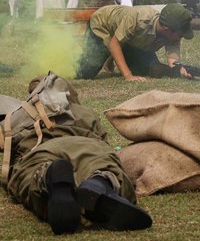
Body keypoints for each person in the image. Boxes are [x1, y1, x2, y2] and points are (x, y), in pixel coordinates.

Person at [2, 74, 152, 235]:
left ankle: (48, 178)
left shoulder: (21, 113)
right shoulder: (85, 112)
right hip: (88, 145)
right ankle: (99, 182)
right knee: (104, 165)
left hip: (42, 149)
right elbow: (103, 141)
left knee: (31, 176)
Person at [76, 3, 194, 81]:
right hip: (103, 24)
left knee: (145, 69)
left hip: (128, 38)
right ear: (167, 29)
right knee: (85, 72)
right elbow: (114, 43)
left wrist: (180, 70)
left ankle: (111, 56)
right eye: (180, 34)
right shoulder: (139, 19)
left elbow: (173, 62)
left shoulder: (172, 32)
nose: (181, 37)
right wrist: (128, 76)